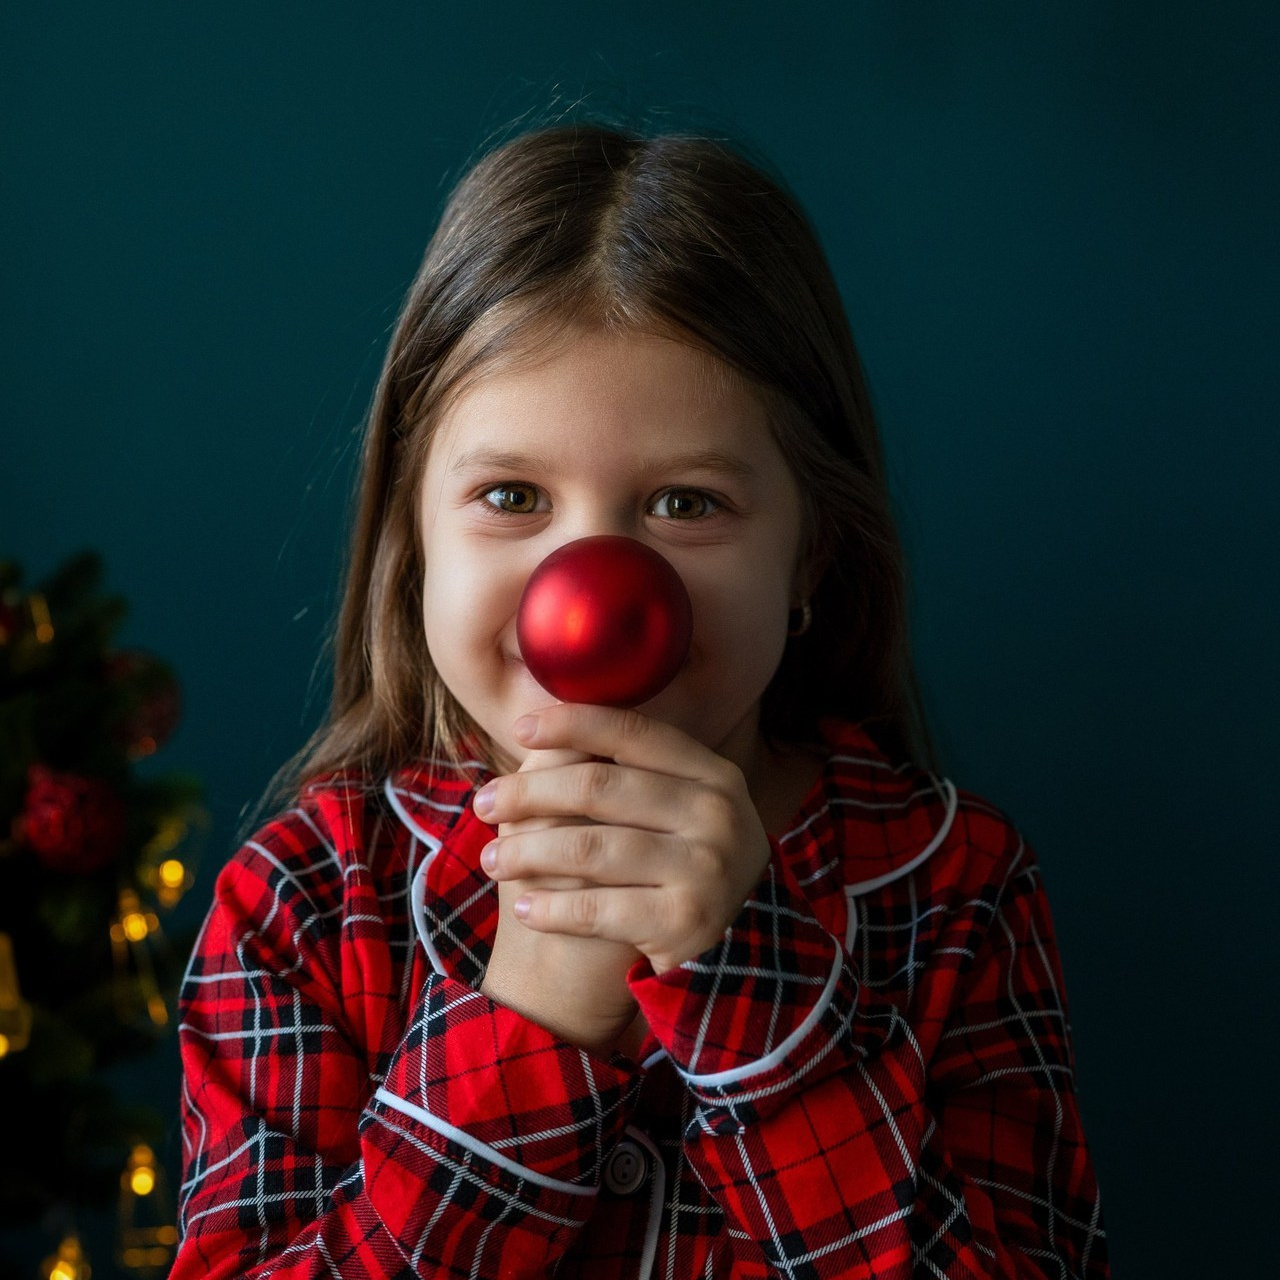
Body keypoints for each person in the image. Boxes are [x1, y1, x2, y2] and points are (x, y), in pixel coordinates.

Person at [172, 122, 1108, 1279]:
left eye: (685, 504)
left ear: (810, 552)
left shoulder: (957, 889)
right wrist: (530, 1024)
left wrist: (751, 1000)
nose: (596, 589)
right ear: (413, 538)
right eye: (512, 494)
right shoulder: (305, 902)